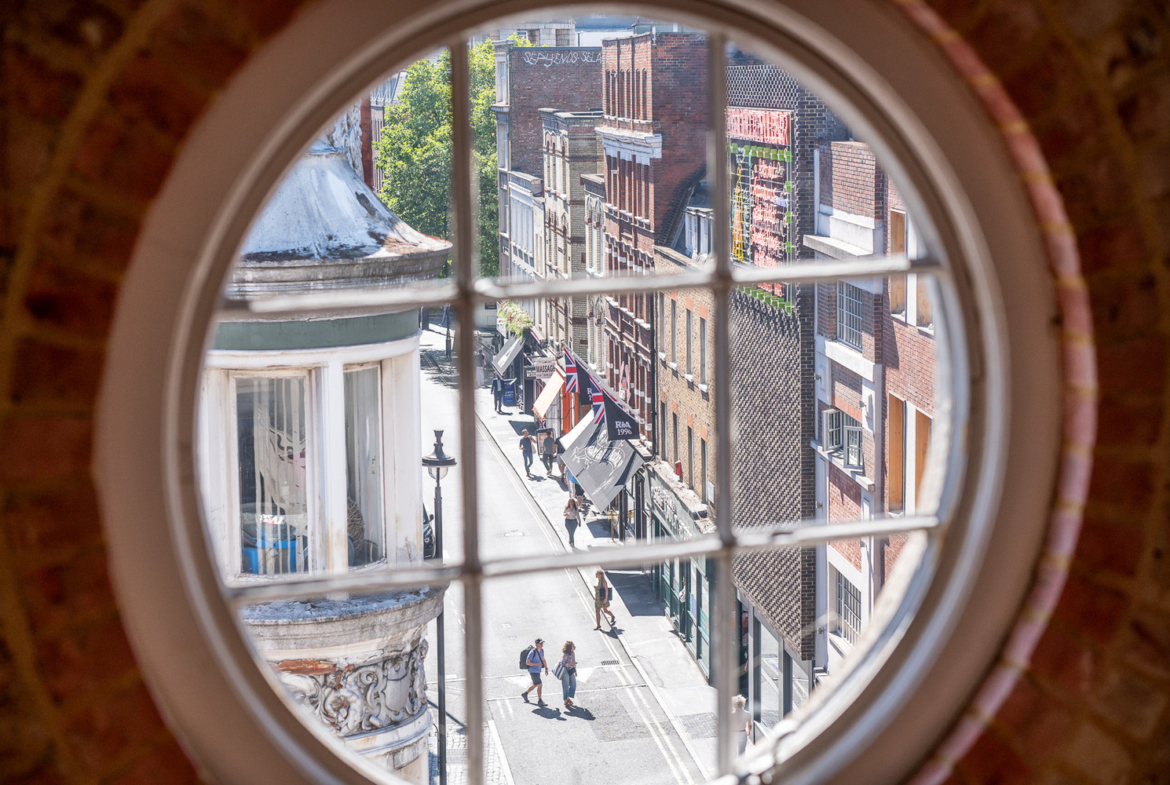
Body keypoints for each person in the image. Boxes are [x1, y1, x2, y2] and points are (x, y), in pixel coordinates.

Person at [521, 638, 548, 705]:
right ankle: (540, 700)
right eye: (540, 643)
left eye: (542, 643)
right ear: (536, 644)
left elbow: (543, 659)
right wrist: (536, 664)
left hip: (538, 670)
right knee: (540, 684)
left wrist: (546, 668)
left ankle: (525, 694)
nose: (542, 644)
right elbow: (527, 662)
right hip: (533, 671)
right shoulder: (532, 652)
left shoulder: (542, 651)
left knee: (535, 684)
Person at [558, 641, 577, 708]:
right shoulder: (565, 655)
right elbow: (563, 663)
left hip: (571, 670)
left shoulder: (573, 653)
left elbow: (574, 662)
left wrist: (575, 671)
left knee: (573, 684)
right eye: (572, 645)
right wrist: (570, 664)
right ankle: (565, 700)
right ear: (570, 647)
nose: (574, 646)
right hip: (565, 671)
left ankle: (568, 697)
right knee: (565, 686)